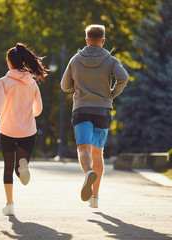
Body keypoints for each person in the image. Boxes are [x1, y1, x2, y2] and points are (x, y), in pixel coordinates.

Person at [61, 24, 129, 208]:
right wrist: (112, 94)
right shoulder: (111, 60)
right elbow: (124, 78)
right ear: (103, 41)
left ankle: (88, 172)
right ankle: (95, 198)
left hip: (82, 109)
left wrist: (78, 87)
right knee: (97, 153)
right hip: (102, 110)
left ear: (86, 40)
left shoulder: (75, 60)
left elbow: (64, 85)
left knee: (83, 149)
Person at [0, 43, 47, 216]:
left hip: (7, 130)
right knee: (19, 167)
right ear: (23, 61)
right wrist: (30, 113)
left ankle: (10, 205)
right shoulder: (32, 83)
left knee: (7, 167)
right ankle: (23, 168)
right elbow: (39, 109)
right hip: (28, 131)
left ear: (9, 61)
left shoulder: (3, 82)